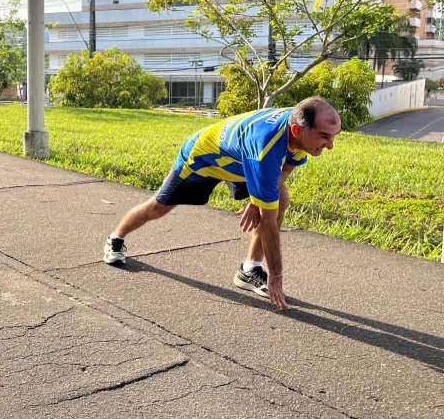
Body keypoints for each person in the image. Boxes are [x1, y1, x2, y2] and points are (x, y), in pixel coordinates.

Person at [103, 96, 341, 310]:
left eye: (333, 136)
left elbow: (286, 168)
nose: (330, 145)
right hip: (204, 158)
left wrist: (259, 198)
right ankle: (116, 238)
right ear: (298, 130)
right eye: (324, 137)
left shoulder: (299, 127)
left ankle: (249, 270)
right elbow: (268, 223)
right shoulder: (266, 147)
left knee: (279, 199)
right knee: (158, 208)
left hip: (242, 160)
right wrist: (276, 277)